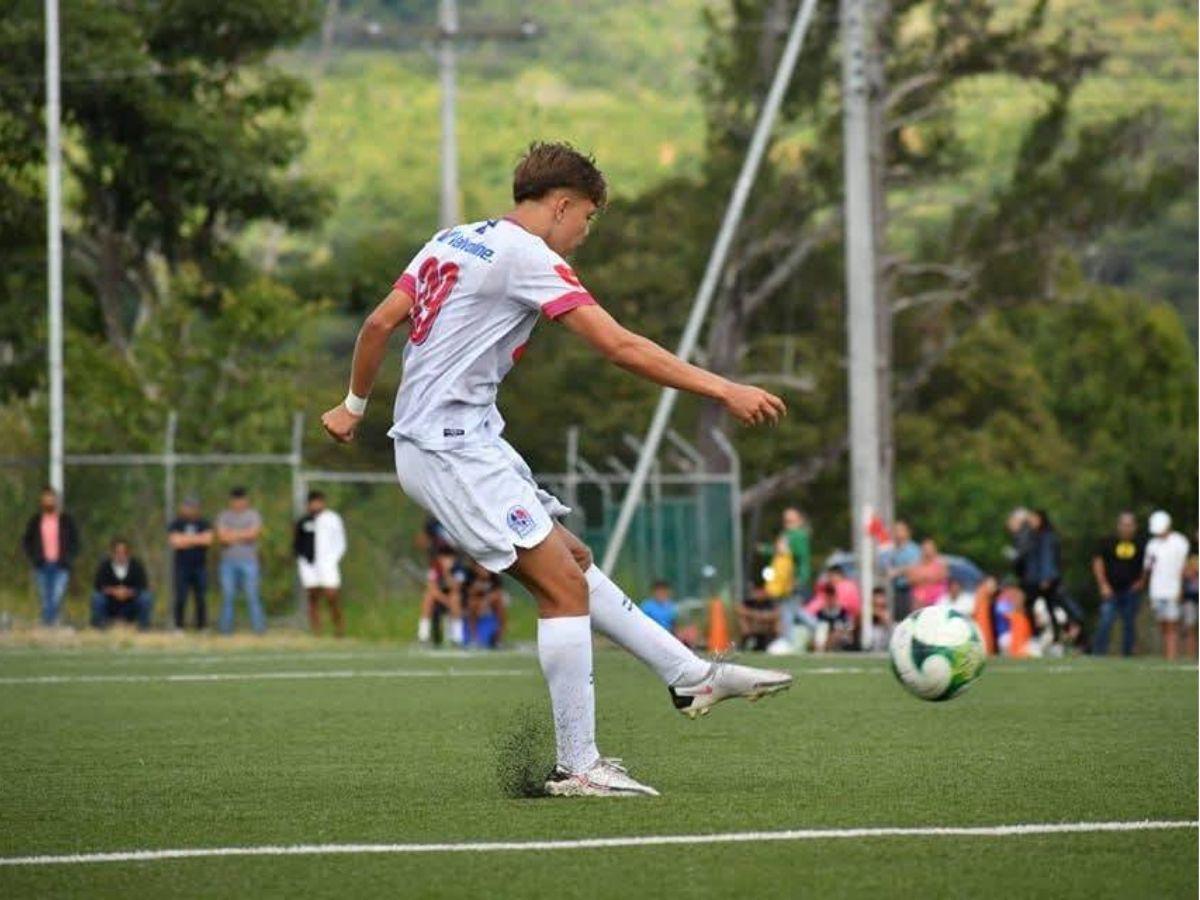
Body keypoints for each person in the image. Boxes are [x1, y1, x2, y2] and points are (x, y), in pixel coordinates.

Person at [320, 141, 791, 797]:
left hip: (468, 442)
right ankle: (578, 766)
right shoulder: (528, 256)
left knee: (572, 562)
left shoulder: (454, 238)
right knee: (561, 591)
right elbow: (619, 346)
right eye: (588, 220)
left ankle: (689, 675)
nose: (584, 235)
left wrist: (352, 407)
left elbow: (378, 324)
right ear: (564, 204)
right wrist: (724, 390)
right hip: (450, 450)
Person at [21, 486, 80, 626]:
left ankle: (48, 624)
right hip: (42, 565)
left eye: (51, 499)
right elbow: (26, 541)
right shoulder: (35, 521)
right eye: (46, 499)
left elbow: (75, 542)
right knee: (45, 597)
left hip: (61, 565)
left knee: (56, 597)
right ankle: (50, 625)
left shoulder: (66, 520)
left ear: (56, 501)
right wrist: (33, 557)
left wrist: (69, 558)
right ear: (41, 502)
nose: (49, 502)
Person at [294, 490, 348, 638]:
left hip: (328, 564)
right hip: (309, 564)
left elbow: (340, 541)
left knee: (332, 596)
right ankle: (317, 631)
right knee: (313, 597)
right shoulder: (304, 522)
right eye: (312, 502)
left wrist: (333, 559)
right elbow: (297, 543)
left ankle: (339, 628)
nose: (315, 505)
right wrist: (302, 559)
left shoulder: (332, 519)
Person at [1091, 511, 1144, 657]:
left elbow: (1148, 566)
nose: (1126, 528)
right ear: (1118, 526)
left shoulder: (1141, 544)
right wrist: (1103, 585)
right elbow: (1097, 563)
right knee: (1106, 620)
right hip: (1111, 590)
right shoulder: (1107, 542)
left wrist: (1141, 582)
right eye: (1124, 525)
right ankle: (1098, 653)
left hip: (1131, 592)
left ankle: (1128, 655)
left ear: (1135, 527)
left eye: (1130, 525)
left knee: (1129, 624)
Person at [216, 487, 266, 634]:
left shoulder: (253, 515)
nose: (238, 503)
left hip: (249, 562)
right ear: (231, 501)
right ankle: (226, 630)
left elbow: (253, 535)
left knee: (252, 595)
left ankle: (259, 630)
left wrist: (232, 535)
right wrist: (242, 535)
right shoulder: (223, 516)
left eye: (241, 500)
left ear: (246, 500)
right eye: (235, 500)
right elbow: (222, 538)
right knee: (228, 595)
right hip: (227, 563)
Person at [1143, 510, 1190, 661]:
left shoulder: (1180, 542)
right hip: (1156, 590)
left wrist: (1181, 588)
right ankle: (1167, 656)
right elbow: (1148, 568)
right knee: (1163, 624)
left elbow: (1183, 568)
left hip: (1173, 589)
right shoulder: (1152, 544)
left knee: (1172, 625)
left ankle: (1172, 656)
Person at [167, 497, 212, 630]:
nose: (191, 510)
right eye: (188, 507)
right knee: (181, 596)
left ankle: (202, 626)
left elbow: (207, 541)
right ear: (183, 508)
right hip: (182, 567)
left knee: (201, 596)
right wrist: (197, 539)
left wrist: (185, 540)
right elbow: (175, 542)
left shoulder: (204, 523)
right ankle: (178, 626)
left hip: (200, 566)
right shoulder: (176, 524)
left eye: (194, 507)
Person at [90, 539, 153, 630]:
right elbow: (99, 585)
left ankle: (143, 628)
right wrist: (115, 591)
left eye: (124, 552)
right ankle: (99, 627)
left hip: (131, 603)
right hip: (110, 603)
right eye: (117, 552)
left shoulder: (136, 566)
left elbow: (142, 586)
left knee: (146, 597)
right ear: (112, 553)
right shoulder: (105, 566)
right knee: (96, 597)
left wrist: (127, 592)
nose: (121, 555)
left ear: (129, 553)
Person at [1024, 510, 1062, 639]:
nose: (1031, 521)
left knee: (1049, 608)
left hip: (1043, 580)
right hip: (1034, 579)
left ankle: (1053, 638)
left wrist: (1046, 578)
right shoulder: (1032, 535)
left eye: (1033, 518)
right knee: (1039, 608)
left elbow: (1047, 557)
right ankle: (1037, 635)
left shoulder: (1046, 536)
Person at [418, 546, 465, 646]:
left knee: (455, 597)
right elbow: (432, 587)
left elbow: (456, 587)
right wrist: (445, 601)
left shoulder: (458, 569)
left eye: (449, 557)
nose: (446, 560)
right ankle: (423, 636)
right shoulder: (434, 567)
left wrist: (447, 572)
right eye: (443, 557)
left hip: (455, 600)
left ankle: (457, 638)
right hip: (440, 600)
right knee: (428, 597)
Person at [880, 520, 920, 618]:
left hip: (909, 590)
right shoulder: (891, 549)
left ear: (907, 532)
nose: (897, 533)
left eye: (900, 530)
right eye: (895, 530)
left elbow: (914, 567)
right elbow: (884, 565)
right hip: (894, 590)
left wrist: (897, 572)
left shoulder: (913, 549)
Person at [464, 562, 507, 649]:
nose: (482, 569)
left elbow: (497, 592)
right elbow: (468, 593)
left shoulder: (494, 575)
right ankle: (474, 639)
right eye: (479, 567)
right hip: (474, 601)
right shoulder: (470, 575)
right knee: (472, 604)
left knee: (500, 605)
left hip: (489, 601)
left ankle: (498, 638)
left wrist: (485, 602)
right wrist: (478, 586)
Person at [905, 539, 949, 609]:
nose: (927, 551)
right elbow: (910, 579)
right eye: (925, 549)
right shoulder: (915, 564)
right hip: (919, 597)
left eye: (930, 548)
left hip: (937, 597)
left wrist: (925, 578)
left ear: (934, 549)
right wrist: (926, 578)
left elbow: (943, 576)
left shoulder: (941, 563)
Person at [737, 582, 781, 650]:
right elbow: (740, 610)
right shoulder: (749, 602)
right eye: (757, 591)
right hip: (753, 626)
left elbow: (776, 613)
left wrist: (763, 616)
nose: (759, 594)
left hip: (766, 626)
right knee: (743, 620)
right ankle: (746, 642)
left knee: (777, 623)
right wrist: (755, 615)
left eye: (761, 591)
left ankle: (775, 643)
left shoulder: (769, 602)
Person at [813, 582, 853, 652]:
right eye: (828, 595)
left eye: (831, 595)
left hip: (841, 641)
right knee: (821, 628)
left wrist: (837, 634)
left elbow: (849, 630)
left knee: (838, 629)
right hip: (825, 641)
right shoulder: (821, 613)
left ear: (835, 596)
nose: (830, 598)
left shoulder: (842, 612)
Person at [1182, 555, 1198, 659]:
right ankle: (1190, 655)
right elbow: (1184, 575)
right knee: (1189, 627)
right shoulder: (1189, 556)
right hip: (1190, 598)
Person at [867, 586, 892, 652]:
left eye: (881, 597)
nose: (879, 600)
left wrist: (887, 622)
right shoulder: (865, 618)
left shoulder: (888, 617)